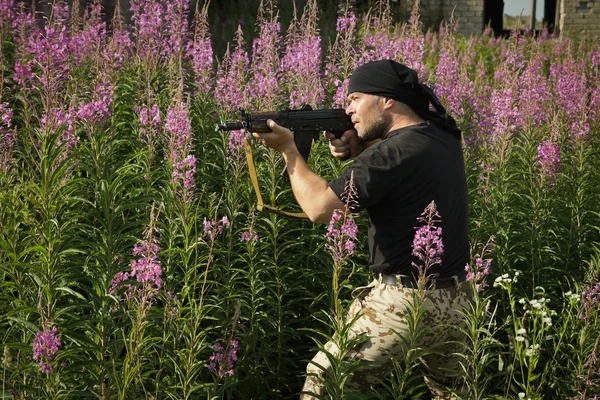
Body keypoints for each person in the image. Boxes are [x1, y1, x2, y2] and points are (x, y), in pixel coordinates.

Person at [251, 60, 471, 399]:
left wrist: (289, 151)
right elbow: (402, 167)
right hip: (459, 302)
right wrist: (361, 146)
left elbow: (320, 208)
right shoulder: (442, 137)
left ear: (386, 100)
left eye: (355, 98)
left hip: (405, 304)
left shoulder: (389, 155)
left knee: (325, 382)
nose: (348, 109)